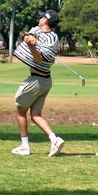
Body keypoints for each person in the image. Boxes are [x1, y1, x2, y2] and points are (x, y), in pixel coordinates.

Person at [12, 9, 64, 156]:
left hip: (37, 80)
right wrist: (30, 38)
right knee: (35, 115)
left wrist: (32, 46)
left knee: (20, 110)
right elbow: (30, 33)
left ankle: (24, 146)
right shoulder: (38, 30)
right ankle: (55, 140)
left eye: (42, 16)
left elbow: (39, 58)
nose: (39, 18)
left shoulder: (52, 39)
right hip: (45, 80)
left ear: (46, 20)